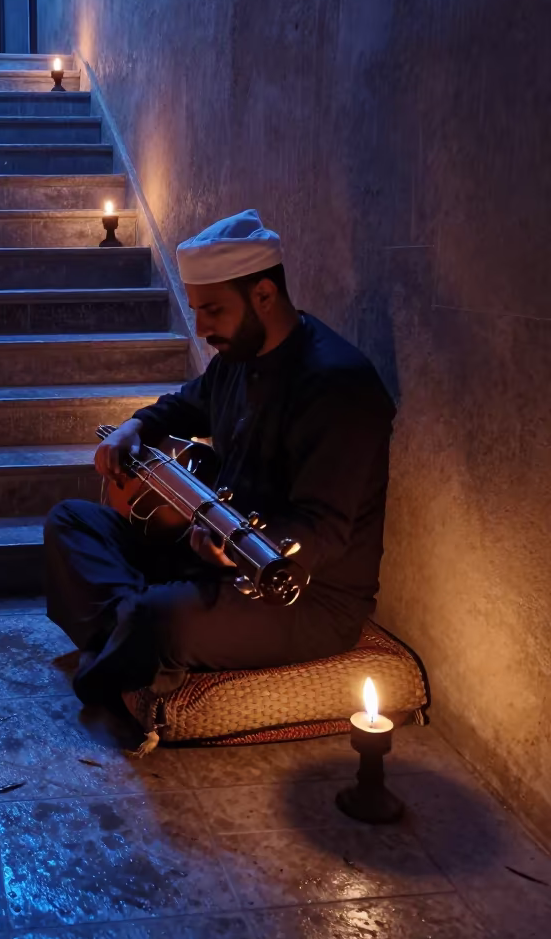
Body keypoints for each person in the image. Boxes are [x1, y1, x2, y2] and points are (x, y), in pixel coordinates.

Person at [44, 209, 396, 705]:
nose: (201, 327)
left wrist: (237, 553)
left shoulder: (338, 386)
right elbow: (184, 405)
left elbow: (323, 531)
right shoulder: (236, 359)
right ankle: (138, 638)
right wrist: (133, 426)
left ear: (264, 296)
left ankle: (135, 634)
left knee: (158, 617)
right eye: (195, 311)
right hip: (211, 553)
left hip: (295, 592)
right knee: (71, 522)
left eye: (212, 311)